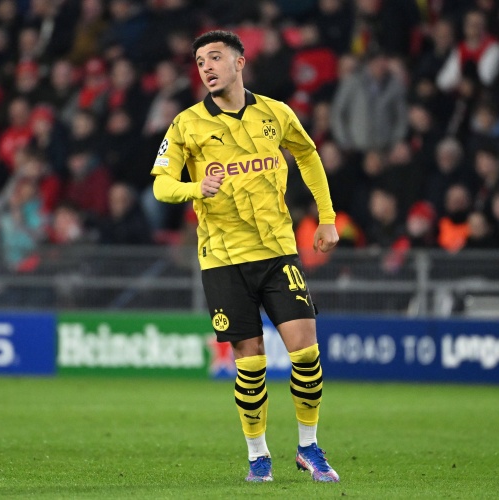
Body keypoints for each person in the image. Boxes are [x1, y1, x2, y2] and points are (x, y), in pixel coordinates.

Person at [151, 31, 340, 484]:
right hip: (223, 259)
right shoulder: (186, 124)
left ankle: (309, 447)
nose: (207, 67)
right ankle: (258, 455)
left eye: (215, 58)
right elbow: (160, 184)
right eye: (200, 62)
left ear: (240, 62)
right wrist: (195, 187)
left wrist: (327, 218)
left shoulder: (277, 113)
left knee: (306, 352)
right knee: (250, 360)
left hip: (278, 252)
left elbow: (308, 156)